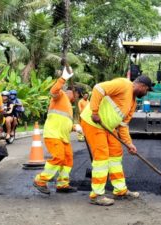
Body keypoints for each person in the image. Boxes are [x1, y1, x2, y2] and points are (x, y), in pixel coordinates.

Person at [80, 75, 153, 206]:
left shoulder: (133, 102)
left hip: (108, 127)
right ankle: (96, 195)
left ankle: (120, 190)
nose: (146, 93)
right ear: (142, 86)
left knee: (116, 155)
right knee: (102, 158)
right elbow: (98, 88)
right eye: (147, 90)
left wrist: (129, 144)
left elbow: (123, 125)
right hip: (93, 123)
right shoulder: (124, 84)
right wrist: (95, 112)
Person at [33, 65, 82, 194]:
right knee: (59, 157)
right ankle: (41, 180)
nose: (78, 99)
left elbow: (63, 122)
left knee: (68, 159)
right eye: (79, 96)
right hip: (53, 135)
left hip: (63, 137)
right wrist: (63, 78)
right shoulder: (60, 95)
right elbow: (53, 90)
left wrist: (74, 127)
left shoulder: (68, 105)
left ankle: (62, 184)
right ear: (74, 92)